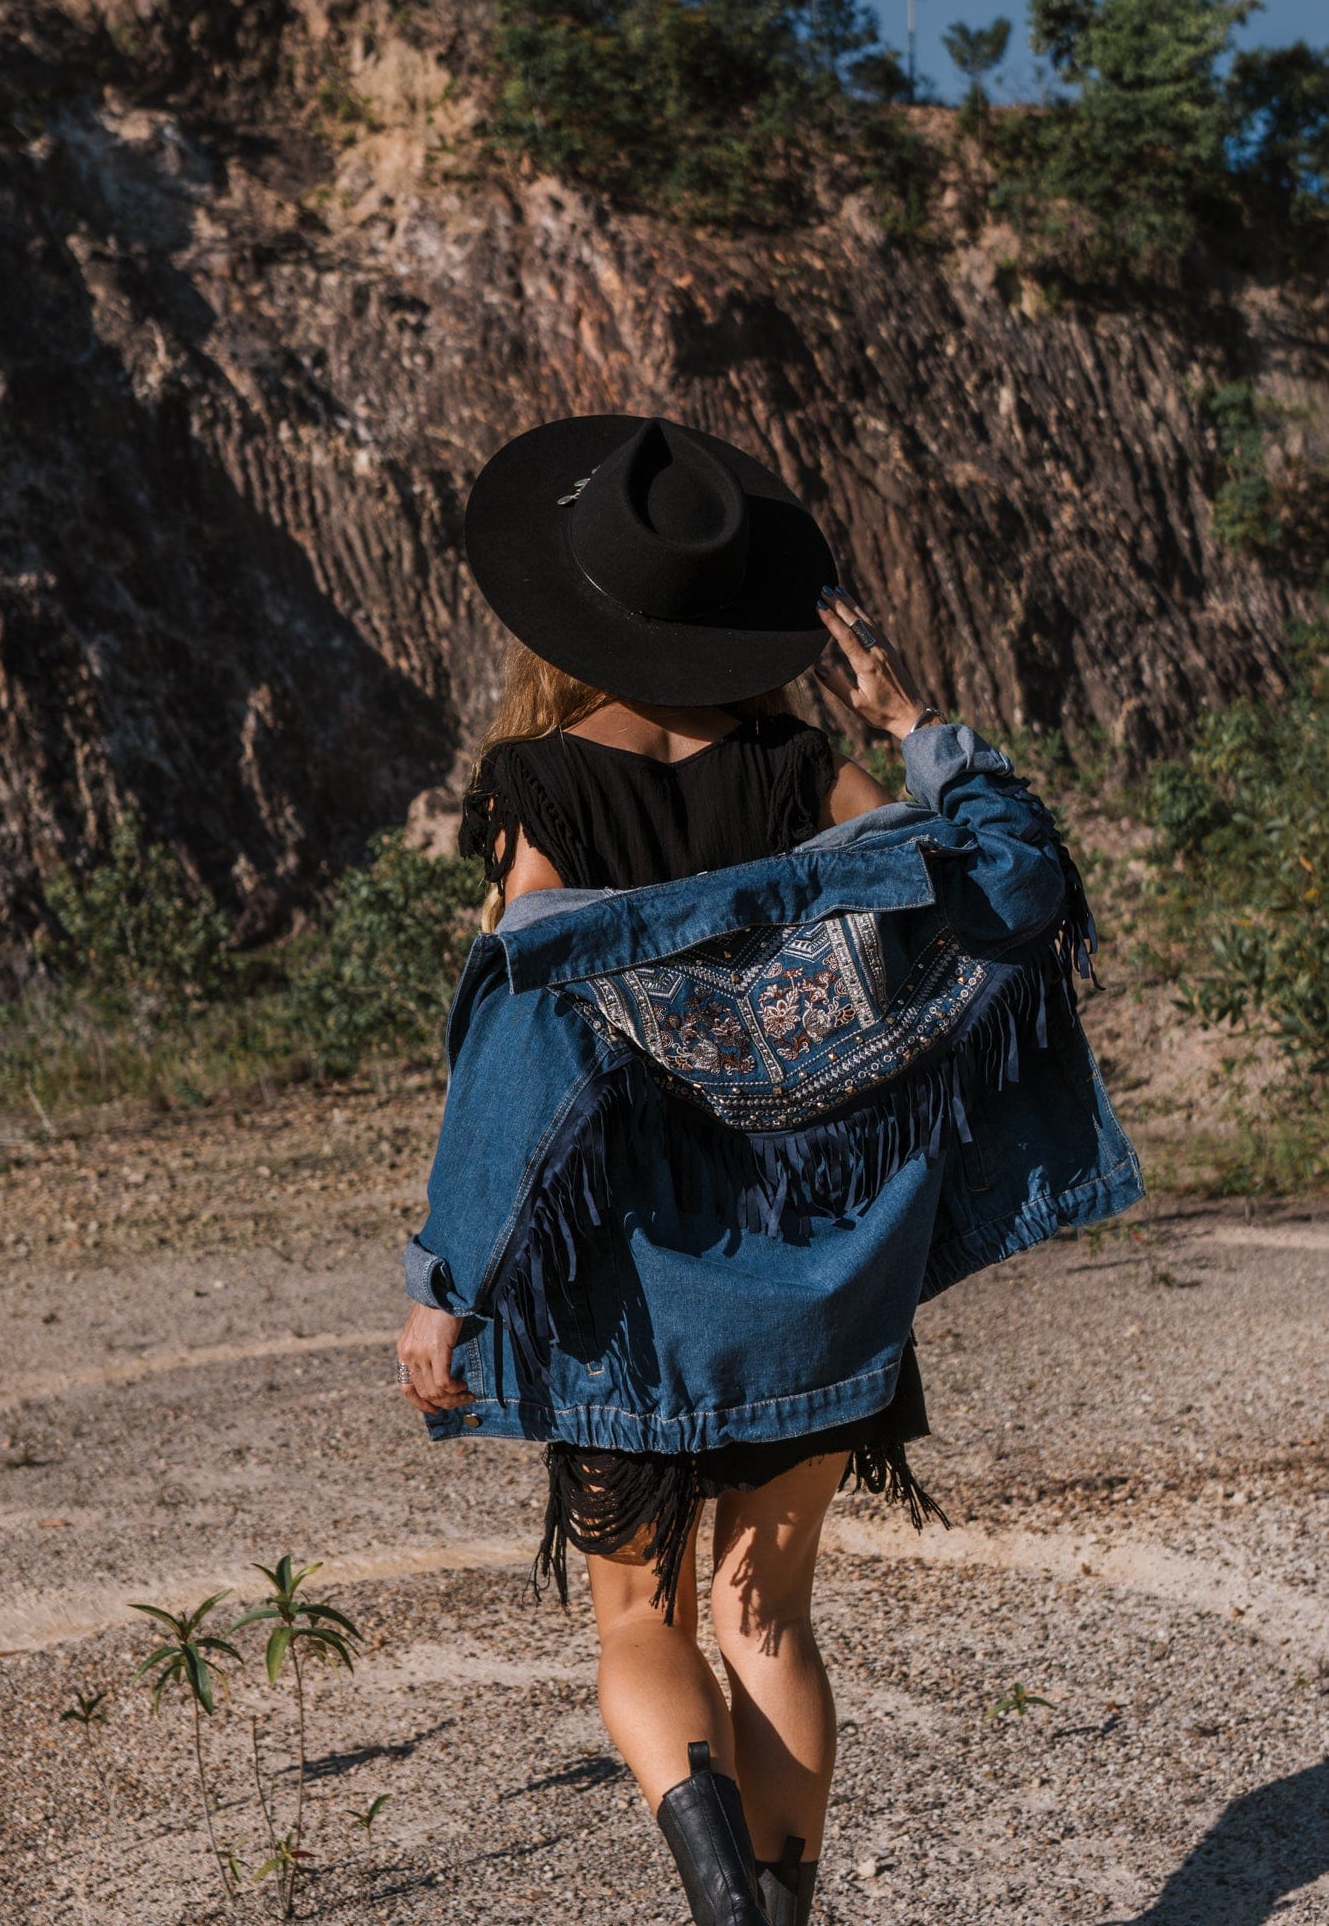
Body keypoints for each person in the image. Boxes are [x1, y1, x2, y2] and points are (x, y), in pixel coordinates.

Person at [395, 414, 1143, 1926]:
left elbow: (518, 1054)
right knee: (769, 1615)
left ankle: (728, 1916)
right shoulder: (811, 776)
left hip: (629, 1296)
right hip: (818, 1285)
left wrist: (446, 1281)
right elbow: (1010, 887)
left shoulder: (541, 788)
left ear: (584, 609)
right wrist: (919, 722)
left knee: (639, 1619)